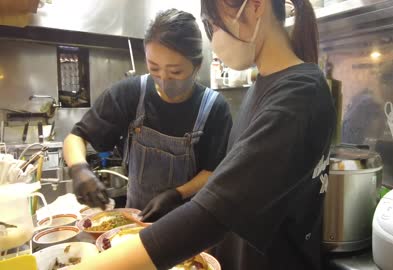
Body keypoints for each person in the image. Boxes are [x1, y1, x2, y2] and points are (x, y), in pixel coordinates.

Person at [72, 0, 335, 269]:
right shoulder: (263, 87)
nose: (213, 39)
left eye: (213, 24)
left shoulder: (299, 95)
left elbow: (211, 216)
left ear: (256, 5)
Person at [63, 9, 233, 222]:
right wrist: (79, 169)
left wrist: (177, 194)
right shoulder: (130, 93)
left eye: (175, 72)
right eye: (154, 68)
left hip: (189, 222)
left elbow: (213, 170)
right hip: (137, 220)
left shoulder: (214, 108)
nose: (163, 79)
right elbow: (76, 137)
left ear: (196, 66)